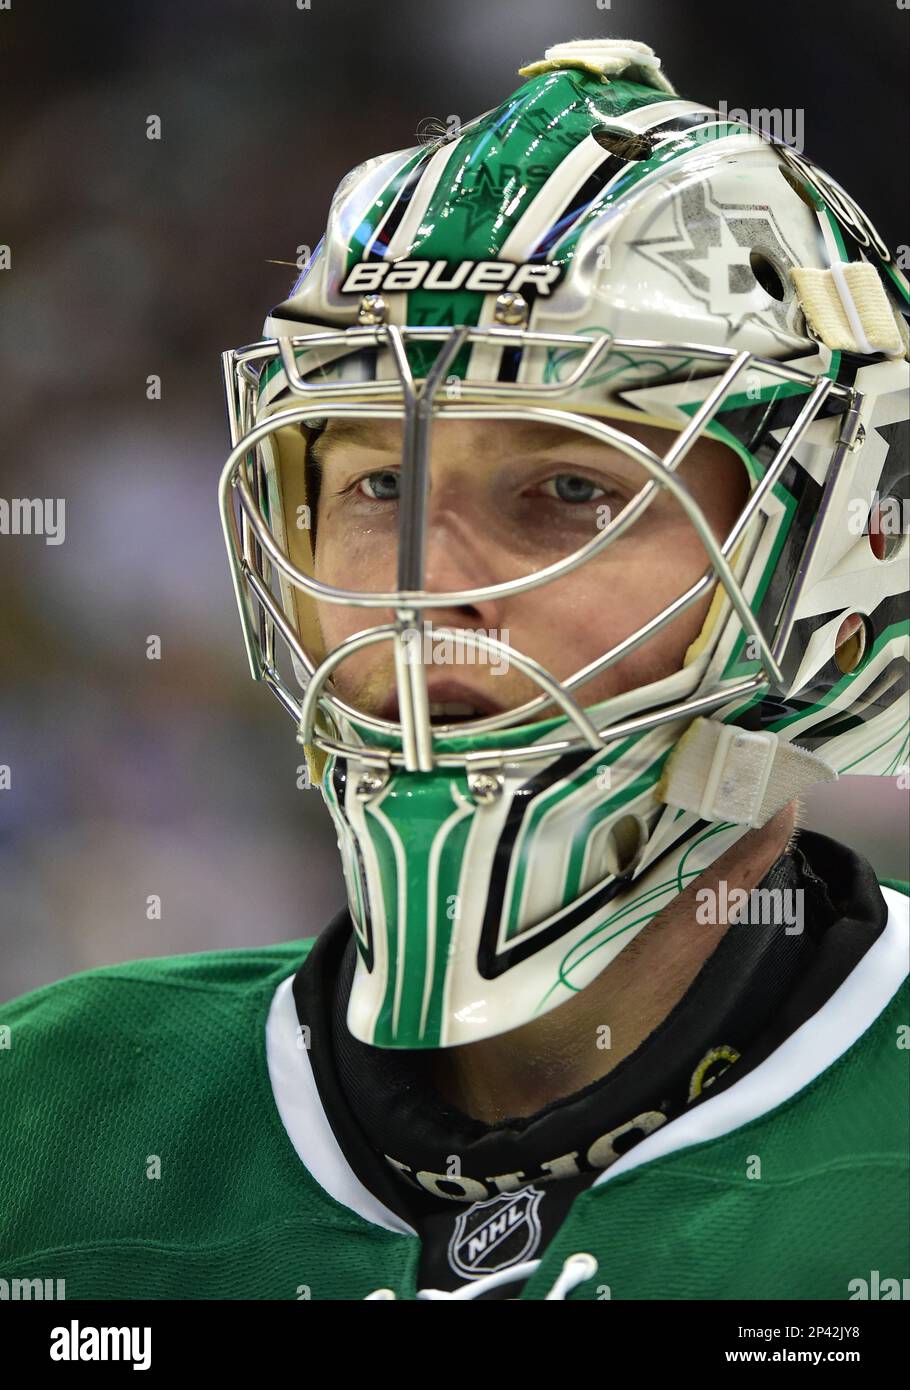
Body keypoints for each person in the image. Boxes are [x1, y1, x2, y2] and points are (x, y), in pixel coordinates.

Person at [2, 37, 908, 1302]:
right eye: (378, 480)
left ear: (824, 561)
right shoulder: (55, 1114)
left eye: (570, 488)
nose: (429, 586)